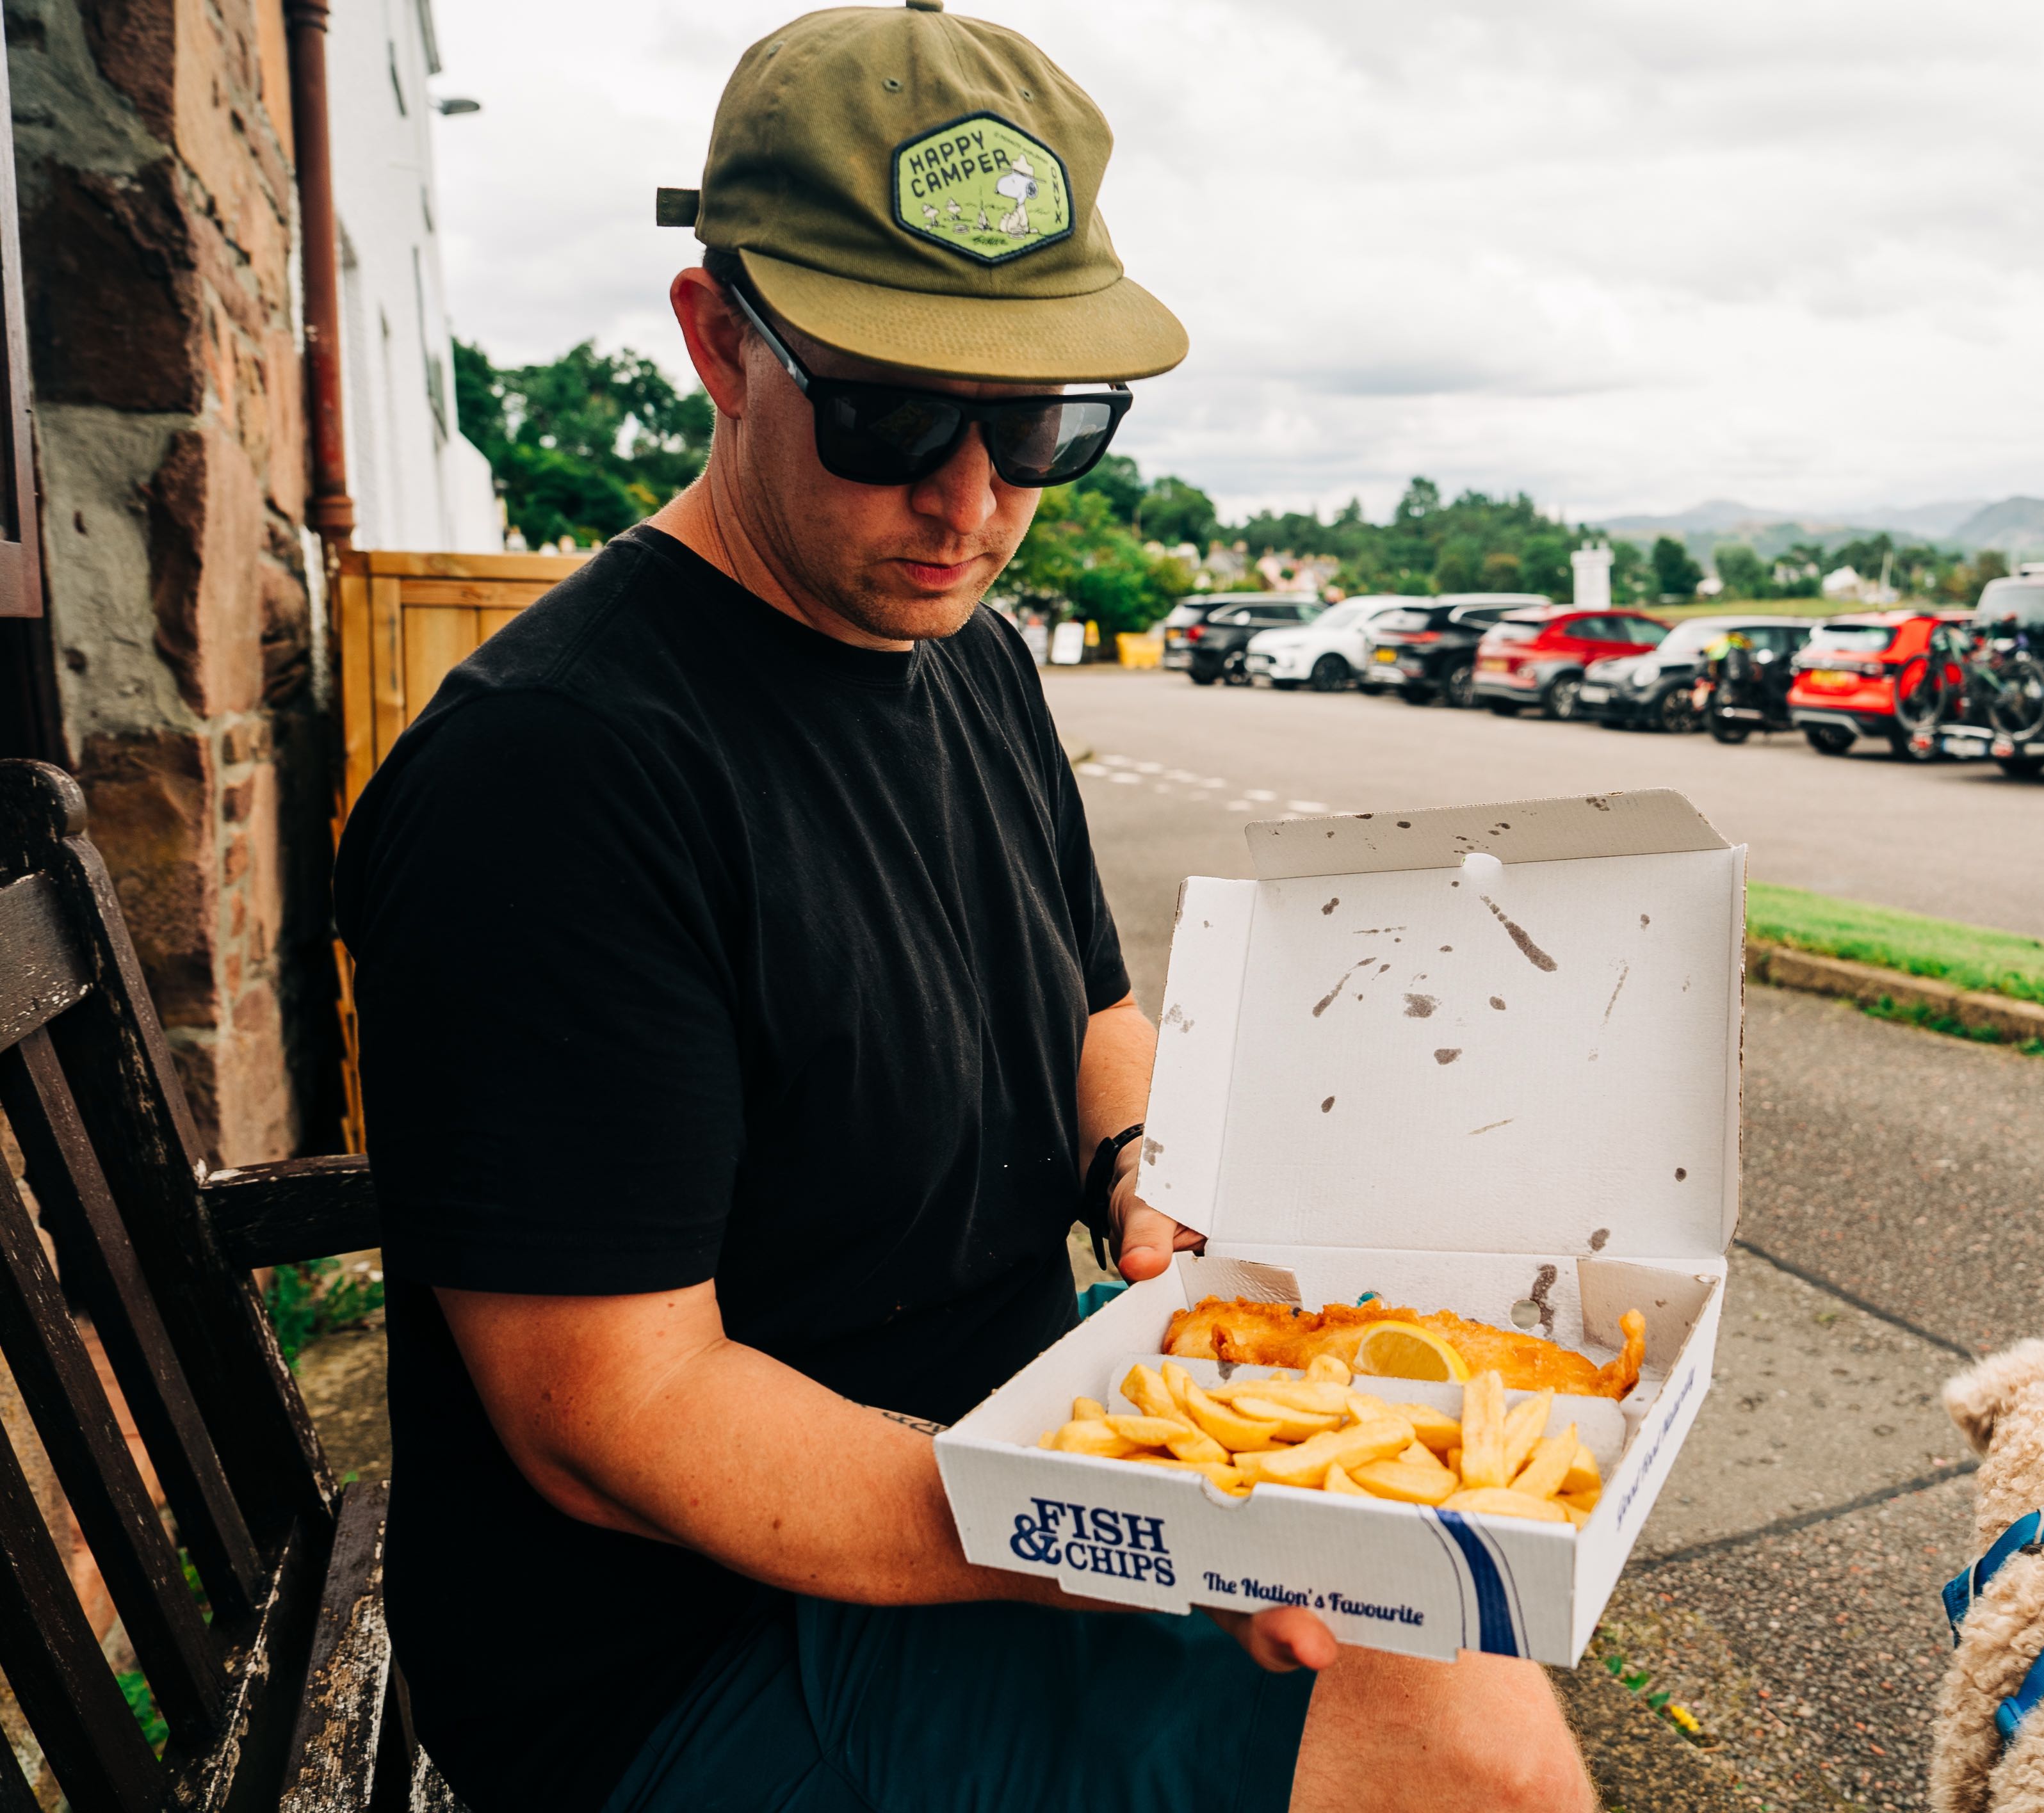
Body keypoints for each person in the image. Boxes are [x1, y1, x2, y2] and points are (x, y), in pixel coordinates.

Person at [333, 6, 1593, 1812]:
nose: (971, 497)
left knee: (1463, 1587)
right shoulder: (556, 773)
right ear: (719, 341)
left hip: (1001, 1450)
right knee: (1470, 1753)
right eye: (892, 410)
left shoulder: (971, 659)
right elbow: (613, 1420)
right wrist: (1144, 1527)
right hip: (680, 1654)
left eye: (1040, 423)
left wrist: (1140, 1172)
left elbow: (1088, 1014)